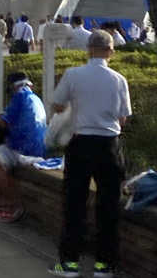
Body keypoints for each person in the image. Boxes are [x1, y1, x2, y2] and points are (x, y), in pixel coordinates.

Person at [49, 29, 131, 277]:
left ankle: (69, 263)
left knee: (74, 203)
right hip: (109, 144)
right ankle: (104, 265)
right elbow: (123, 118)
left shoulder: (74, 75)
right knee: (109, 205)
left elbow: (58, 104)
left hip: (80, 142)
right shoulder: (119, 80)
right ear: (110, 51)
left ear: (88, 49)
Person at [0, 72, 47, 223]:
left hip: (24, 149)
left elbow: (2, 123)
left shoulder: (20, 96)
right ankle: (2, 202)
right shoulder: (35, 98)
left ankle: (14, 205)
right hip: (30, 146)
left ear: (13, 86)